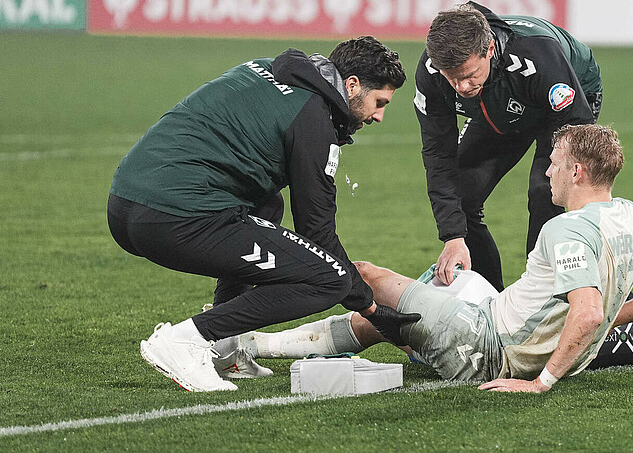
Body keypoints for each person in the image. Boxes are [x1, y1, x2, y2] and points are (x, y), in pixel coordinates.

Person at [244, 124, 633, 392]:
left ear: (577, 171)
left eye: (554, 162)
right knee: (444, 281)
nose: (548, 171)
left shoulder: (567, 230)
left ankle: (250, 340)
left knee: (364, 276)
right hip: (495, 314)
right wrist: (611, 317)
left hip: (487, 347)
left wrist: (542, 382)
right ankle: (260, 345)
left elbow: (589, 311)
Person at [107, 37, 420, 392]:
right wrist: (371, 308)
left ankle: (225, 348)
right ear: (350, 85)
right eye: (379, 102)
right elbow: (317, 229)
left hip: (124, 206)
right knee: (329, 280)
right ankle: (187, 339)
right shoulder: (313, 118)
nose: (379, 116)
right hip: (172, 217)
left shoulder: (267, 68)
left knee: (267, 205)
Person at [414, 2, 602, 292]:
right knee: (462, 193)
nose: (462, 87)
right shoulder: (432, 71)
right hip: (502, 99)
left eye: (468, 74)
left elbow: (581, 136)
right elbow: (438, 156)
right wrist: (453, 238)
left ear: (489, 49)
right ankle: (491, 301)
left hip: (567, 98)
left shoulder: (538, 56)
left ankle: (542, 293)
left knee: (546, 191)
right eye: (453, 78)